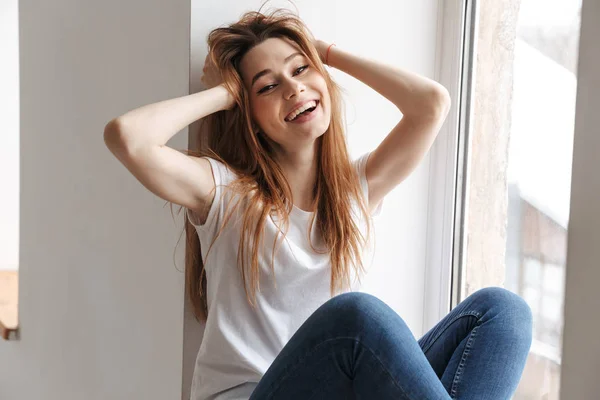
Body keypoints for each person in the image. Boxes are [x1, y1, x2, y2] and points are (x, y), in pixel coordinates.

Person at [103, 6, 532, 400]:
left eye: (301, 69)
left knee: (502, 313)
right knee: (355, 319)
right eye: (268, 86)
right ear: (247, 112)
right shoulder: (226, 194)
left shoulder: (356, 190)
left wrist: (323, 52)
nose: (293, 88)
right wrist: (224, 91)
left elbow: (431, 104)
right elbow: (128, 138)